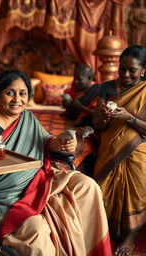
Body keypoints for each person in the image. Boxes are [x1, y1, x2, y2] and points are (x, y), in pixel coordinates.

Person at [0, 69, 112, 255]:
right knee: (36, 228)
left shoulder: (27, 118)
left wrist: (62, 140)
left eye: (22, 93)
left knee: (88, 186)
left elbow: (47, 141)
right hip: (5, 194)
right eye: (10, 93)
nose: (17, 99)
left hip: (38, 180)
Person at [92, 45, 146, 256]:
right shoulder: (106, 88)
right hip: (109, 150)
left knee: (136, 194)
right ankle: (107, 230)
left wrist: (129, 118)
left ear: (143, 69)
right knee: (103, 191)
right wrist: (104, 118)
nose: (125, 74)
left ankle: (130, 236)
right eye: (121, 69)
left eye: (132, 70)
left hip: (137, 152)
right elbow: (97, 124)